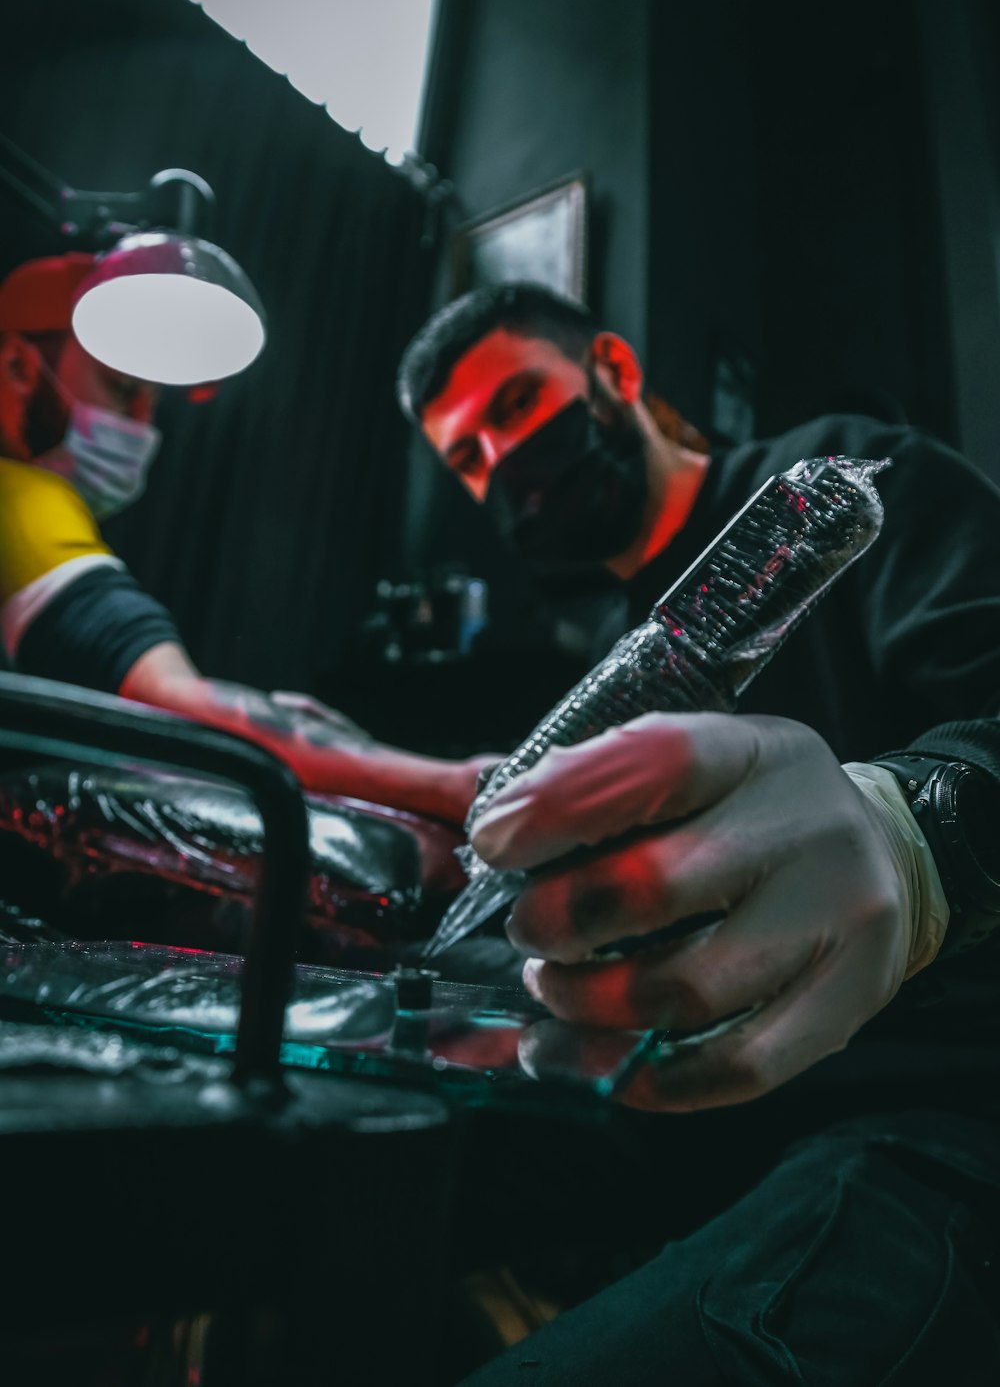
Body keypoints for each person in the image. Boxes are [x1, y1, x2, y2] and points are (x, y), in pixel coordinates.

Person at [396, 282, 1000, 1382]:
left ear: (615, 374)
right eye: (470, 459)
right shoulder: (615, 660)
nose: (504, 463)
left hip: (943, 1113)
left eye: (518, 405)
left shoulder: (844, 487)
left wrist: (919, 834)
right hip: (715, 1117)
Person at [0, 252, 481, 822]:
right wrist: (456, 785)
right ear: (17, 367)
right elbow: (170, 703)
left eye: (153, 403)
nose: (141, 427)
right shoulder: (19, 496)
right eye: (123, 387)